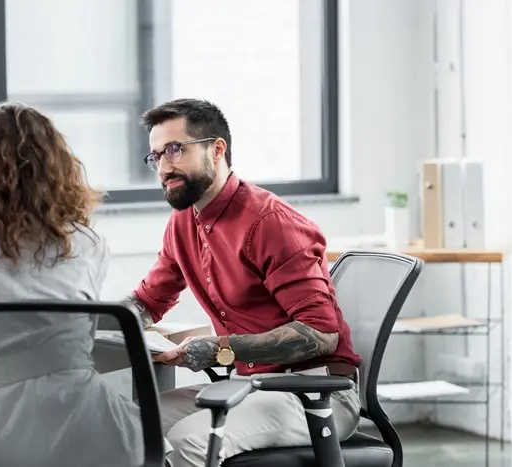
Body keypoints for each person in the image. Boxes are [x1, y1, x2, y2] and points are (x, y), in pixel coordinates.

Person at [0, 102, 153, 467]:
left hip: (6, 440)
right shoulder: (88, 241)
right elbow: (76, 338)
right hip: (98, 433)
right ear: (56, 165)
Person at [125, 98, 362, 466]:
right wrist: (105, 320)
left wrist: (220, 348)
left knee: (188, 441)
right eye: (156, 156)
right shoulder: (184, 224)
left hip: (314, 392)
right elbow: (148, 300)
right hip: (249, 385)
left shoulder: (270, 222)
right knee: (129, 424)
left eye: (174, 150)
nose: (163, 167)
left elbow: (321, 333)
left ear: (216, 149)